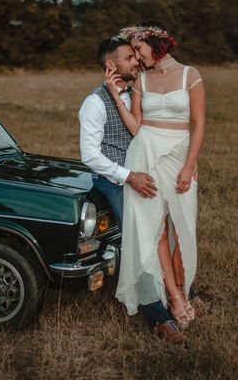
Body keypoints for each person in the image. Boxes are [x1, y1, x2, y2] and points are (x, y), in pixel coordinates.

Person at [78, 36, 187, 341]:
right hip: (115, 182)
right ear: (110, 65)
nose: (136, 61)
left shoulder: (139, 92)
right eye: (128, 58)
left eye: (135, 56)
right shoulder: (94, 103)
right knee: (143, 243)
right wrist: (128, 177)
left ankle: (179, 293)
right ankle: (159, 318)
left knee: (166, 232)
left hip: (146, 178)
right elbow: (89, 155)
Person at [107, 21, 205, 330]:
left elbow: (199, 124)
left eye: (138, 49)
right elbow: (137, 127)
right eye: (133, 52)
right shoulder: (142, 81)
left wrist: (190, 164)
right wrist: (113, 93)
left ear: (156, 44)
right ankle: (175, 297)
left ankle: (182, 282)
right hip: (146, 153)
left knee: (183, 226)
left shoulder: (191, 75)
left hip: (179, 158)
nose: (136, 57)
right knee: (156, 226)